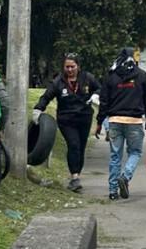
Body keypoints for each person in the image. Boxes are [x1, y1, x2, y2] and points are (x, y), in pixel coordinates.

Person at [33, 53, 101, 192]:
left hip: (84, 117)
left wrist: (95, 95)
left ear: (78, 66)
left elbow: (100, 88)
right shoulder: (59, 81)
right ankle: (74, 177)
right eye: (67, 67)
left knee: (81, 147)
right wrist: (38, 109)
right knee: (73, 144)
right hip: (66, 119)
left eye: (72, 67)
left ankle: (76, 175)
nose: (69, 70)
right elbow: (47, 96)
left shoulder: (87, 78)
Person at [95, 47, 146, 200]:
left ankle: (113, 191)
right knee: (135, 152)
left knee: (115, 157)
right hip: (134, 121)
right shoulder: (141, 75)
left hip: (114, 121)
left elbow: (104, 102)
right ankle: (125, 176)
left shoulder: (111, 76)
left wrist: (100, 122)